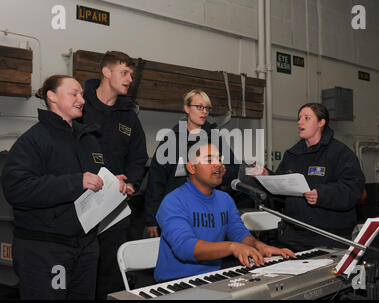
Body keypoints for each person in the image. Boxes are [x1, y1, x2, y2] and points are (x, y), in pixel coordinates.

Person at [1, 75, 105, 299]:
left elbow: (94, 178)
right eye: (74, 93)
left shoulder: (88, 138)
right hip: (45, 250)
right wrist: (76, 182)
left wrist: (114, 184)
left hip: (85, 247)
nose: (82, 99)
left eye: (82, 94)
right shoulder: (34, 140)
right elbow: (17, 188)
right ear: (52, 97)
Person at [153, 141, 295, 282]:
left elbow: (239, 233)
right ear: (191, 167)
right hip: (175, 283)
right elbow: (185, 248)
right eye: (209, 160)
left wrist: (261, 247)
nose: (218, 164)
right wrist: (232, 247)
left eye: (219, 159)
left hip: (213, 278)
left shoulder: (225, 199)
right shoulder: (173, 201)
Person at [79, 51, 148, 299]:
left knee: (111, 272)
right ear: (106, 72)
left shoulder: (129, 115)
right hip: (80, 204)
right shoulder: (81, 107)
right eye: (124, 73)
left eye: (132, 74)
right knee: (82, 271)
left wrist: (131, 183)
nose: (130, 79)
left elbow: (139, 157)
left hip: (116, 207)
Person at [254, 103, 365, 252]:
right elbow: (282, 185)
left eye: (307, 118)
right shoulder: (292, 154)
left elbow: (353, 188)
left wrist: (322, 194)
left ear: (321, 122)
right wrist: (268, 175)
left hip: (329, 237)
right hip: (293, 236)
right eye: (299, 118)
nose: (300, 122)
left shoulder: (340, 153)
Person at [145, 89, 239, 238]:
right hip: (178, 211)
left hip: (208, 211)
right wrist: (151, 219)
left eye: (207, 108)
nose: (204, 112)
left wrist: (217, 171)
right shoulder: (172, 140)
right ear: (187, 108)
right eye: (199, 107)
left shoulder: (216, 138)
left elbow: (233, 169)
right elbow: (156, 180)